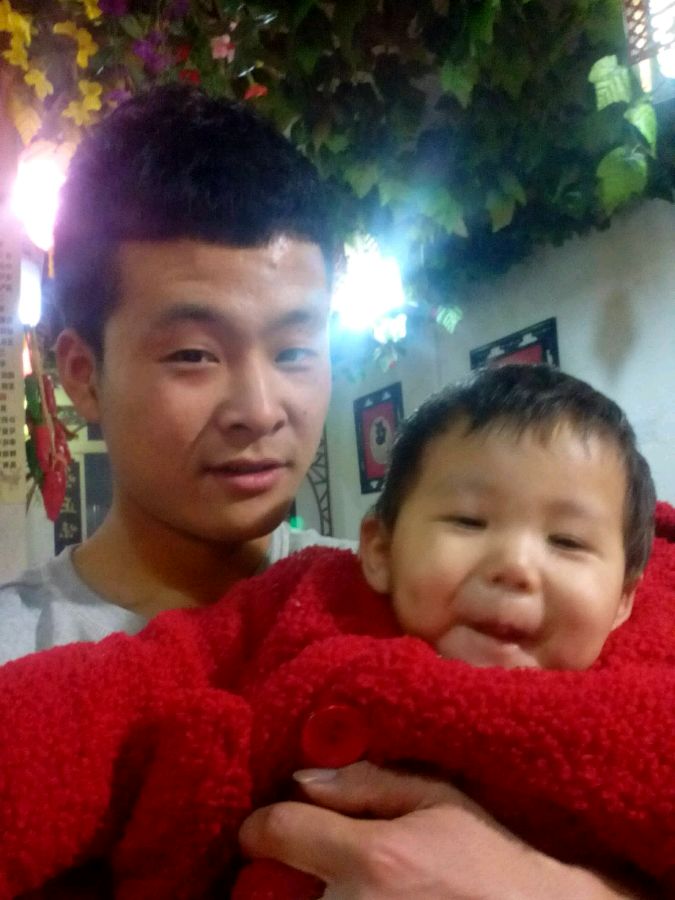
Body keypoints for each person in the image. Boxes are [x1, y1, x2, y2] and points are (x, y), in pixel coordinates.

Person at [0, 86, 654, 899]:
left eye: (295, 350)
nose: (259, 409)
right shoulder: (20, 661)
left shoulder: (424, 603)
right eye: (193, 354)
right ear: (82, 375)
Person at [0, 366, 672, 897]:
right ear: (379, 550)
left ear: (624, 597)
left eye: (567, 542)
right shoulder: (311, 599)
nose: (515, 567)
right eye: (469, 522)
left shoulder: (647, 695)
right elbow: (125, 689)